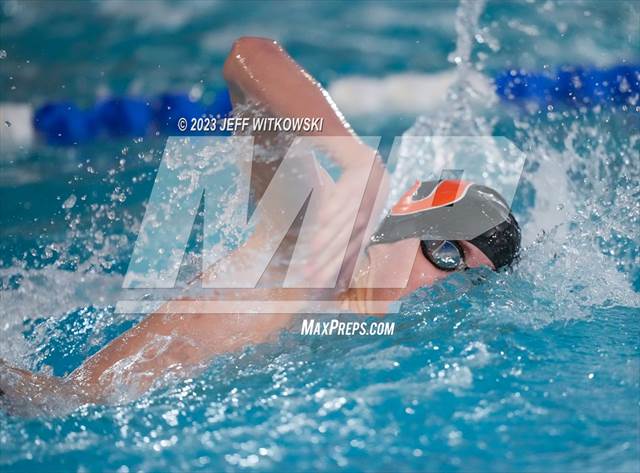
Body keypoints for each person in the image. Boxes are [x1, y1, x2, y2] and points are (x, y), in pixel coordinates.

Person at [0, 37, 520, 414]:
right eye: (446, 253)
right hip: (47, 403)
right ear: (409, 216)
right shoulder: (318, 240)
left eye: (466, 275)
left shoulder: (371, 322)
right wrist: (357, 157)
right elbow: (248, 59)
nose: (441, 280)